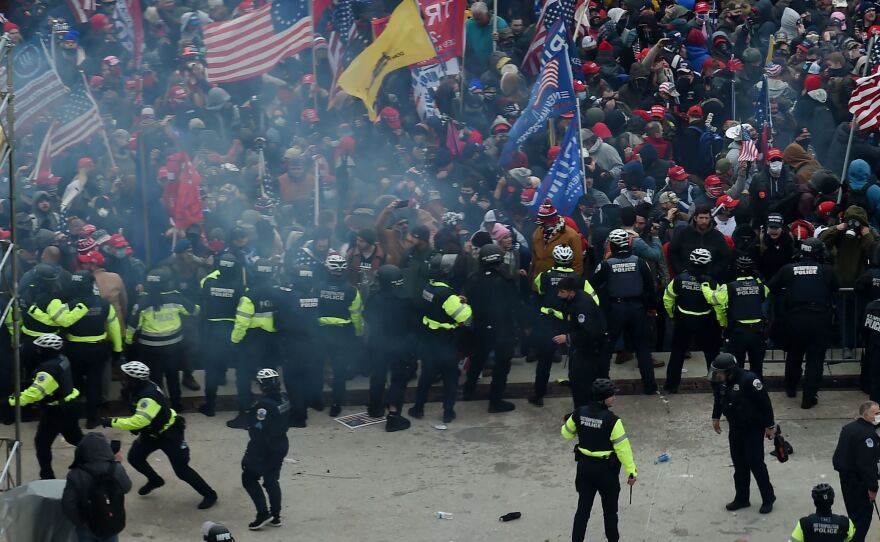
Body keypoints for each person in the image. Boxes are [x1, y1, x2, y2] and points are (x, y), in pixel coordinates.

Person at [101, 361, 217, 509]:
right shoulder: (138, 389)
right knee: (135, 458)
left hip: (170, 435)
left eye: (126, 377)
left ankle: (210, 494)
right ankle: (155, 480)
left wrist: (111, 422)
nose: (122, 380)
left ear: (135, 380)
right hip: (151, 433)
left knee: (182, 470)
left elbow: (139, 421)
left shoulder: (148, 397)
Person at [561, 378, 637, 542]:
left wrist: (580, 428)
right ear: (604, 398)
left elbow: (566, 433)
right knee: (610, 513)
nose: (615, 398)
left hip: (584, 469)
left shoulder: (579, 412)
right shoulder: (613, 421)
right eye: (612, 395)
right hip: (606, 472)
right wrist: (631, 472)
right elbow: (623, 450)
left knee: (582, 511)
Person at [768, 237, 839, 408]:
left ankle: (791, 388)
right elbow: (836, 286)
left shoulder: (788, 269)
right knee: (815, 360)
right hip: (819, 319)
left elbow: (771, 286)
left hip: (794, 317)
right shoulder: (826, 270)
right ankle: (809, 398)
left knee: (794, 355)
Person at [592, 229, 658, 394]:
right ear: (628, 244)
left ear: (611, 245)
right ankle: (650, 386)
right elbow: (651, 287)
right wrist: (652, 307)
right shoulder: (640, 262)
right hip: (637, 308)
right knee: (642, 348)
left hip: (615, 310)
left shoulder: (606, 264)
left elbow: (592, 285)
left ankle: (602, 386)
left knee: (607, 348)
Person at [709, 353, 777, 514]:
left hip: (752, 429)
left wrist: (770, 425)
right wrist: (715, 417)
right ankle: (742, 498)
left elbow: (765, 404)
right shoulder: (723, 382)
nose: (716, 375)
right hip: (735, 428)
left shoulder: (750, 380)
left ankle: (768, 497)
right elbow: (719, 400)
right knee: (739, 465)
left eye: (719, 372)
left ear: (730, 371)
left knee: (756, 463)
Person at [9, 333, 83, 479]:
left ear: (47, 351)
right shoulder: (62, 359)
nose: (38, 351)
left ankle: (47, 475)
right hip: (70, 405)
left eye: (40, 349)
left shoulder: (48, 370)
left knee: (42, 443)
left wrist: (10, 401)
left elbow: (35, 394)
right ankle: (103, 453)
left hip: (56, 411)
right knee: (75, 438)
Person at [409, 253, 472, 423]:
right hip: (446, 342)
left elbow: (436, 305)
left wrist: (454, 301)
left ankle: (418, 408)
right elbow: (464, 317)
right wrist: (463, 304)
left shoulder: (427, 288)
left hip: (429, 340)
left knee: (426, 376)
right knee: (450, 377)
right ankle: (448, 412)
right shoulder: (447, 295)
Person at [126, 268, 198, 412]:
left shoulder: (142, 302)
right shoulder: (176, 299)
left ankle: (158, 408)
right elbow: (194, 310)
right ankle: (177, 406)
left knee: (155, 380)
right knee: (173, 377)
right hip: (173, 347)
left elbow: (132, 326)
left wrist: (128, 342)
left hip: (150, 349)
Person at [529, 245, 593, 406]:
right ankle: (580, 400)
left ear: (554, 259)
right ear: (571, 260)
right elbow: (594, 301)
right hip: (571, 324)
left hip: (548, 323)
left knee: (544, 362)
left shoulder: (544, 276)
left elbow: (538, 293)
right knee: (576, 362)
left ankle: (538, 396)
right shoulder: (580, 279)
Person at [61, 271, 124, 429]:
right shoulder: (104, 304)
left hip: (74, 350)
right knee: (94, 384)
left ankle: (72, 419)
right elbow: (114, 328)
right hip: (97, 350)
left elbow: (60, 325)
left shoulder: (69, 304)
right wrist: (118, 349)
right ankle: (92, 418)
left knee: (73, 384)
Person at [462, 244, 518, 412]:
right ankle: (495, 402)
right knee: (502, 366)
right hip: (502, 329)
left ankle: (468, 391)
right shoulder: (506, 279)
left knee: (477, 360)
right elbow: (513, 305)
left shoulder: (473, 278)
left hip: (479, 327)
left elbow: (468, 301)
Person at [227, 259, 278, 428]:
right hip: (272, 341)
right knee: (270, 377)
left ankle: (245, 415)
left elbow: (242, 323)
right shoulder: (279, 292)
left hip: (252, 341)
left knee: (243, 378)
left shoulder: (249, 296)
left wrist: (234, 340)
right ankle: (273, 413)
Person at [663, 249, 723, 393]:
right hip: (706, 322)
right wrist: (722, 323)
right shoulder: (712, 282)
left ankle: (671, 386)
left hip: (683, 321)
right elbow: (720, 304)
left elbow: (668, 298)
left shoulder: (679, 279)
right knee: (712, 355)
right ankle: (718, 388)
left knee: (677, 354)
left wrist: (672, 315)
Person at [364, 264, 415, 431]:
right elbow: (412, 323)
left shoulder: (374, 299)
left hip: (378, 344)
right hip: (400, 345)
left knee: (378, 376)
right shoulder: (406, 300)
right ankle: (393, 416)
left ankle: (375, 408)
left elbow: (367, 317)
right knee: (398, 379)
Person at [704, 255, 769, 377]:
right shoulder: (761, 287)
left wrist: (705, 287)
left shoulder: (728, 287)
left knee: (736, 369)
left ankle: (737, 393)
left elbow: (714, 299)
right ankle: (756, 391)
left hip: (737, 332)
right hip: (757, 332)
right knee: (757, 368)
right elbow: (764, 298)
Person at [197, 253, 245, 417]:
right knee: (239, 370)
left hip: (212, 330)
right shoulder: (239, 286)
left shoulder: (209, 283)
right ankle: (242, 408)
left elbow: (202, 296)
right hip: (231, 329)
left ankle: (210, 406)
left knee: (211, 370)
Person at [62, 432, 133, 542]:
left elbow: (68, 504)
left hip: (88, 525)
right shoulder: (116, 469)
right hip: (111, 522)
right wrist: (118, 464)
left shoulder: (75, 474)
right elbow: (127, 487)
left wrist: (81, 522)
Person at [317, 254, 364, 417]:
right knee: (339, 372)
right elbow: (356, 316)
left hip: (321, 333)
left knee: (318, 367)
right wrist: (358, 333)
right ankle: (336, 405)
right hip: (342, 335)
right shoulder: (352, 291)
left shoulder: (317, 287)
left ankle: (317, 400)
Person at [242, 369, 289, 531]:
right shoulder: (284, 399)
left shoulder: (263, 406)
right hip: (281, 444)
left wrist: (248, 455)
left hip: (264, 448)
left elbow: (257, 432)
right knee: (271, 480)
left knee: (248, 478)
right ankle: (275, 516)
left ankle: (263, 514)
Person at [832, 402, 880, 542]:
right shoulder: (867, 436)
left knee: (853, 515)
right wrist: (873, 487)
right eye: (876, 414)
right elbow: (867, 465)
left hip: (846, 479)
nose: (878, 416)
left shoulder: (849, 428)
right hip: (859, 483)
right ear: (866, 415)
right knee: (862, 521)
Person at [556, 277, 607, 408]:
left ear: (571, 292)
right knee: (576, 379)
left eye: (562, 292)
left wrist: (567, 338)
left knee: (580, 382)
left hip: (588, 350)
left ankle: (582, 413)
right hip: (581, 349)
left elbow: (589, 332)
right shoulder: (576, 298)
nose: (559, 295)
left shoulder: (582, 306)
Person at [789, 484, 855, 542]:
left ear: (815, 502)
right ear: (832, 501)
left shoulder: (804, 524)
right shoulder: (845, 523)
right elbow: (851, 538)